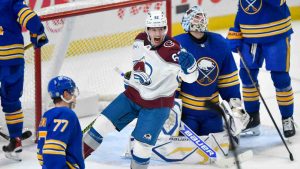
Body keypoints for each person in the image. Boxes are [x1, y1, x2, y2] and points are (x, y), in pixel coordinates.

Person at [83, 10, 199, 169]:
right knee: (99, 126)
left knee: (142, 147)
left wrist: (191, 68)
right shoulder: (139, 40)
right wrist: (134, 76)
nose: (157, 33)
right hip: (132, 96)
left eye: (161, 28)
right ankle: (71, 162)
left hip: (157, 106)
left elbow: (191, 79)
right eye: (153, 29)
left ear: (165, 29)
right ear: (147, 30)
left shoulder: (173, 50)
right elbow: (140, 62)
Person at [173, 6, 249, 138]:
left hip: (212, 112)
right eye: (196, 17)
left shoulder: (219, 43)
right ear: (187, 22)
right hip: (187, 114)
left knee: (216, 143)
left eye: (201, 16)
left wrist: (236, 108)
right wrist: (169, 108)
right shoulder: (178, 44)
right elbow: (172, 82)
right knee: (187, 146)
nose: (200, 20)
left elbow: (228, 81)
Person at [227, 0, 295, 138]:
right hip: (249, 37)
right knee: (247, 76)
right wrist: (236, 30)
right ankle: (253, 118)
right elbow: (243, 6)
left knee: (280, 78)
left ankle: (287, 118)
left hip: (277, 35)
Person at [0, 0, 48, 160]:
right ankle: (16, 140)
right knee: (11, 100)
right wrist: (38, 34)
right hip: (13, 59)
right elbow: (30, 18)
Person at [37, 76, 84, 169]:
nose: (75, 97)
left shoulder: (47, 115)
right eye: (72, 93)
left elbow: (42, 151)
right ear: (66, 94)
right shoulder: (67, 114)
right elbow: (52, 150)